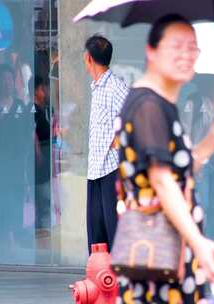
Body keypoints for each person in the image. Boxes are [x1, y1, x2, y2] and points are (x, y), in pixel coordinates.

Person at [114, 14, 214, 303]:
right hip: (159, 255)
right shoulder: (148, 106)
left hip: (168, 253)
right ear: (151, 51)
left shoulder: (160, 104)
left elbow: (175, 174)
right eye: (177, 47)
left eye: (192, 47)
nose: (186, 55)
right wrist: (201, 246)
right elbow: (162, 182)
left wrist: (211, 142)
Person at [83, 35, 129, 253]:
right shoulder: (97, 87)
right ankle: (99, 283)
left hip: (112, 170)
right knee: (96, 234)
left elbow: (134, 122)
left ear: (88, 58)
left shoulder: (116, 87)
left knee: (114, 232)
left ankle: (120, 284)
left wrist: (116, 142)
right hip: (95, 170)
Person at [0, 64, 33, 259]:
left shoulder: (21, 106)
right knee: (0, 204)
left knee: (15, 204)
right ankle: (5, 242)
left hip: (16, 167)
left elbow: (27, 136)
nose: (7, 83)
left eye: (10, 79)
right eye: (3, 79)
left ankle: (10, 242)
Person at [30, 75, 52, 238]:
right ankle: (43, 239)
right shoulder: (33, 111)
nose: (46, 91)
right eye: (43, 88)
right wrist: (38, 155)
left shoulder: (42, 109)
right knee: (44, 205)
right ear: (37, 90)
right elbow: (32, 135)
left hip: (44, 168)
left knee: (44, 205)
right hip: (40, 170)